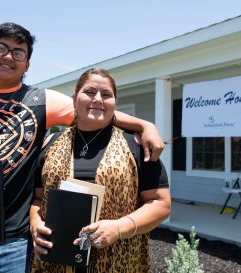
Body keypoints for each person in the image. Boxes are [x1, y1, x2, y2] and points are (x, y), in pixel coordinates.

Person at [0, 23, 164, 273]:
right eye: (1, 47)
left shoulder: (42, 101)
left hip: (12, 247)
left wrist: (143, 125)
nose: (9, 56)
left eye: (19, 52)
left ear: (27, 64)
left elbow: (93, 111)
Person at [30, 68, 171, 273]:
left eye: (106, 94)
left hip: (118, 260)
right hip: (56, 260)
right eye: (90, 92)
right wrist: (35, 223)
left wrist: (119, 228)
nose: (98, 99)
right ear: (74, 98)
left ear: (115, 102)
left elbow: (161, 203)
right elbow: (38, 198)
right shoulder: (51, 144)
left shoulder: (136, 146)